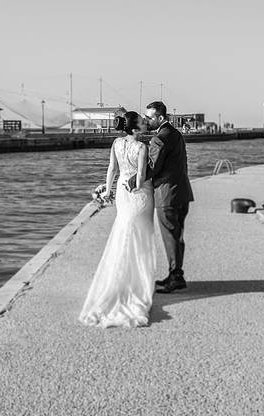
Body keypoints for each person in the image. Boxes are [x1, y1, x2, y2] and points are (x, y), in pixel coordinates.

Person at [79, 111, 158, 328]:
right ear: (134, 128)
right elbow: (141, 178)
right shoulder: (142, 147)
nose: (145, 124)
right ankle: (138, 284)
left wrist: (107, 190)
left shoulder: (116, 143)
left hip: (123, 194)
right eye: (142, 122)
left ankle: (120, 281)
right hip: (139, 195)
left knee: (124, 231)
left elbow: (112, 169)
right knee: (140, 236)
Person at [134, 100, 193, 293]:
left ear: (160, 117)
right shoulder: (176, 134)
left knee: (170, 236)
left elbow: (153, 167)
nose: (146, 120)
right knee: (177, 235)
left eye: (149, 117)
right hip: (182, 191)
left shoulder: (159, 139)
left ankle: (175, 277)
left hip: (166, 194)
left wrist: (133, 178)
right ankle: (177, 274)